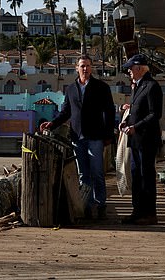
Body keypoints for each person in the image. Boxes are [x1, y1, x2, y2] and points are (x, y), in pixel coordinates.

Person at [40, 54, 116, 219]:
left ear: (91, 68)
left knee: (97, 172)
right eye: (82, 66)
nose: (85, 69)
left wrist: (109, 135)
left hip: (95, 136)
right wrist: (52, 124)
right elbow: (65, 112)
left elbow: (109, 112)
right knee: (83, 174)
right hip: (77, 137)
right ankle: (87, 206)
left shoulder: (101, 87)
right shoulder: (71, 89)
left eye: (88, 66)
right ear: (77, 68)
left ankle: (101, 206)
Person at [119, 53, 162, 225]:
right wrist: (126, 123)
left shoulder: (152, 86)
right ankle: (137, 211)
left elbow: (155, 114)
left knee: (146, 177)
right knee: (137, 177)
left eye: (131, 68)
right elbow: (137, 112)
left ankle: (150, 213)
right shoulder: (138, 87)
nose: (129, 71)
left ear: (139, 68)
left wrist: (136, 127)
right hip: (135, 140)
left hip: (146, 140)